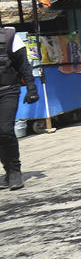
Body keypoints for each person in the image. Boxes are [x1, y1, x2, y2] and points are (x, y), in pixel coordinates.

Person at [0, 28, 39, 190]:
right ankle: (8, 171)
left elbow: (24, 65)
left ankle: (15, 171)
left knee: (5, 130)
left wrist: (31, 88)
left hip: (8, 91)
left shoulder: (9, 37)